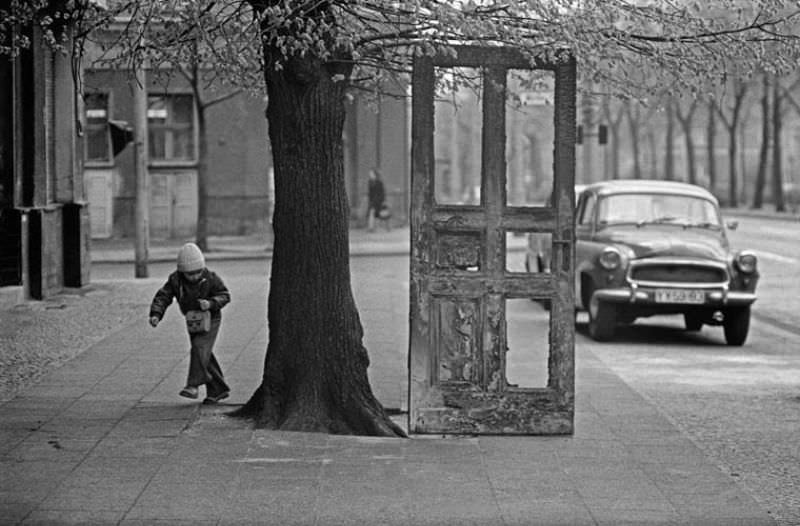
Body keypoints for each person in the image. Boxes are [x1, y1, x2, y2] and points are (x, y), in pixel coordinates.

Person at [149, 243, 231, 404]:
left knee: (199, 348)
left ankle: (193, 385)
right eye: (190, 274)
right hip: (193, 319)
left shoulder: (211, 278)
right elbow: (163, 297)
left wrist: (211, 303)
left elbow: (225, 295)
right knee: (203, 354)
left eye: (198, 272)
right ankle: (218, 390)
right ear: (182, 272)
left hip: (210, 318)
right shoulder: (175, 280)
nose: (194, 276)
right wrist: (156, 314)